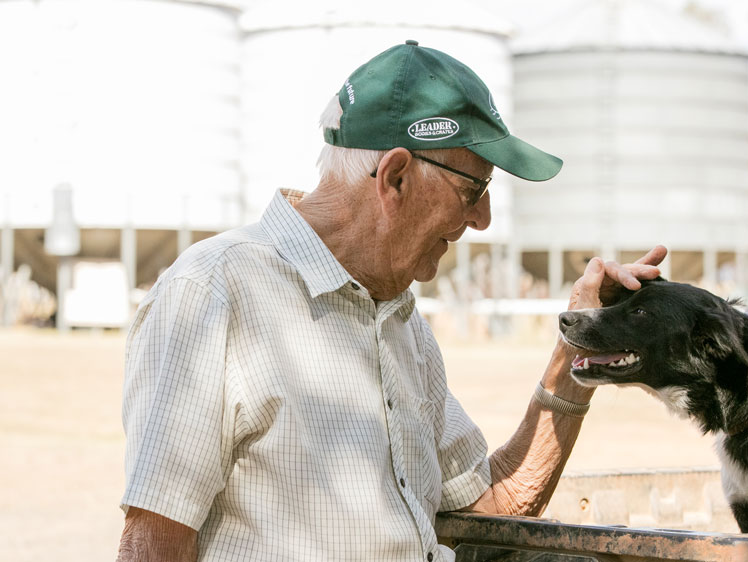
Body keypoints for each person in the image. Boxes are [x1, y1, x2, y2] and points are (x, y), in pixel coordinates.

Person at [116, 40, 666, 562]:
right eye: (473, 190)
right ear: (396, 177)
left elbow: (496, 502)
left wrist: (579, 351)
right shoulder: (212, 293)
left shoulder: (399, 318)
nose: (483, 219)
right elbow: (154, 543)